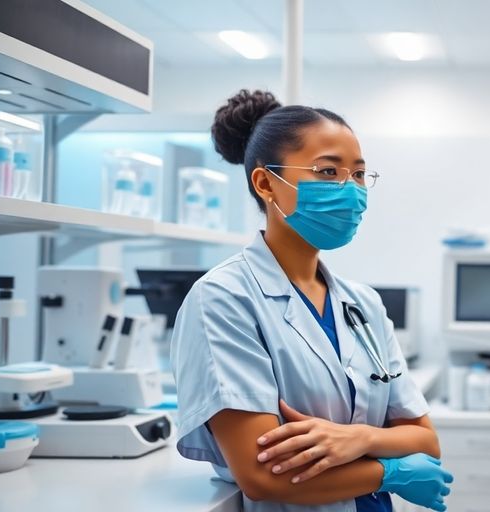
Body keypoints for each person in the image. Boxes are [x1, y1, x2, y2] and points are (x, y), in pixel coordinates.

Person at [171, 90, 453, 512]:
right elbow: (262, 475)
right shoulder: (224, 300)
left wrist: (360, 438)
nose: (351, 190)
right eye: (327, 172)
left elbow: (425, 438)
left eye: (358, 175)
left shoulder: (363, 304)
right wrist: (389, 470)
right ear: (266, 183)